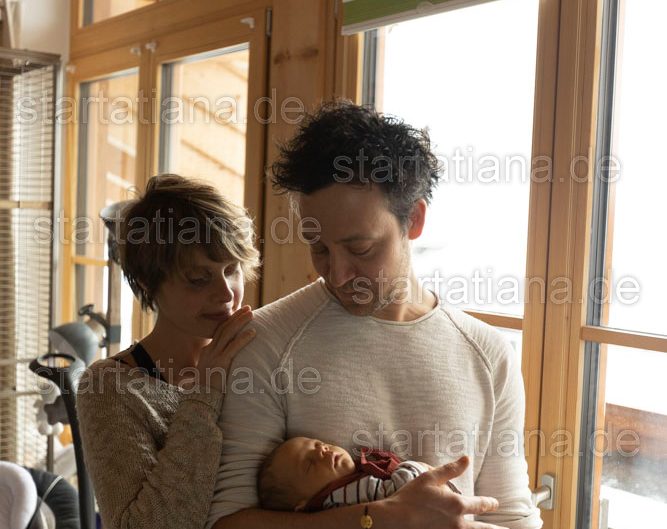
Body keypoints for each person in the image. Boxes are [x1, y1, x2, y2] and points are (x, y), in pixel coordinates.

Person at [208, 102, 543, 529]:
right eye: (319, 248)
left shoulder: (490, 355)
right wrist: (377, 518)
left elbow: (513, 517)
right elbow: (227, 523)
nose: (337, 274)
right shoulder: (266, 343)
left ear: (414, 219)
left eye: (360, 249)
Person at [76, 174, 260, 529]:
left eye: (232, 270)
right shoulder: (110, 388)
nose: (226, 294)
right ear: (149, 282)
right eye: (199, 279)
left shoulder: (259, 354)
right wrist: (205, 394)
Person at [258, 436, 459, 512]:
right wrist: (413, 467)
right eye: (309, 464)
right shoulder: (341, 497)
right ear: (303, 504)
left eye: (320, 444)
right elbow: (401, 489)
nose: (322, 452)